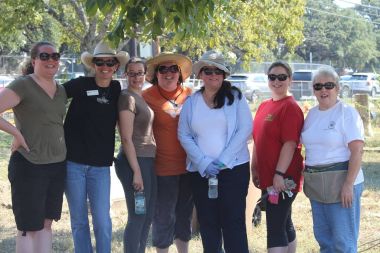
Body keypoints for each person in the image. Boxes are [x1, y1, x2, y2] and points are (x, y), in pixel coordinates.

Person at [178, 50, 253, 253]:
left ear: (224, 74)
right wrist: (203, 163)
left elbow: (245, 129)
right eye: (208, 70)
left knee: (233, 223)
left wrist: (223, 160)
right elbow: (184, 135)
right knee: (208, 223)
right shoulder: (191, 103)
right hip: (201, 174)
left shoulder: (236, 97)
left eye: (217, 70)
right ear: (201, 74)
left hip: (234, 170)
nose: (213, 75)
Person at [0, 41, 67, 253]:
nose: (51, 60)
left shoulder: (62, 90)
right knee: (28, 228)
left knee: (46, 224)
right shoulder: (23, 85)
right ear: (34, 60)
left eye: (55, 56)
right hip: (29, 164)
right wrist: (16, 134)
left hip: (57, 164)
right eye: (44, 56)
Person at [63, 41, 129, 253]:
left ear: (116, 66)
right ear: (94, 65)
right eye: (100, 62)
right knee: (79, 220)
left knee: (102, 219)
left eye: (110, 62)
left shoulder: (117, 88)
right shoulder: (80, 84)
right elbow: (50, 98)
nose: (105, 66)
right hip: (73, 163)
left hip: (100, 166)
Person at [301, 67, 364, 253]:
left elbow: (357, 151)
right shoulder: (311, 115)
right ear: (313, 90)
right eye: (318, 86)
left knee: (343, 243)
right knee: (324, 240)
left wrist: (348, 185)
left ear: (337, 87)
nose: (323, 90)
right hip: (317, 186)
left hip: (341, 183)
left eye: (328, 85)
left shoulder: (347, 113)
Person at [142, 52, 193, 253]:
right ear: (156, 74)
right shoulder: (146, 96)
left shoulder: (191, 94)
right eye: (163, 69)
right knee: (163, 216)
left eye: (174, 69)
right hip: (161, 168)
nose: (169, 73)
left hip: (189, 167)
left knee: (184, 215)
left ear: (180, 74)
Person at [251, 61, 304, 253]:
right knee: (283, 220)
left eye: (282, 77)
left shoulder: (290, 107)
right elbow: (259, 140)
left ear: (290, 80)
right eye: (272, 77)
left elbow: (290, 144)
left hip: (283, 177)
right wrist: (254, 168)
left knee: (274, 225)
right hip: (268, 177)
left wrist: (279, 174)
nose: (277, 81)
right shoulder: (265, 105)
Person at [114, 57, 157, 253]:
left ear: (145, 74)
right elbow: (126, 137)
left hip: (147, 160)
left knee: (147, 215)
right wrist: (136, 172)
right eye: (132, 73)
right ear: (125, 74)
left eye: (140, 73)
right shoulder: (127, 98)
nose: (136, 77)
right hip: (134, 162)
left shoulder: (140, 97)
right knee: (138, 215)